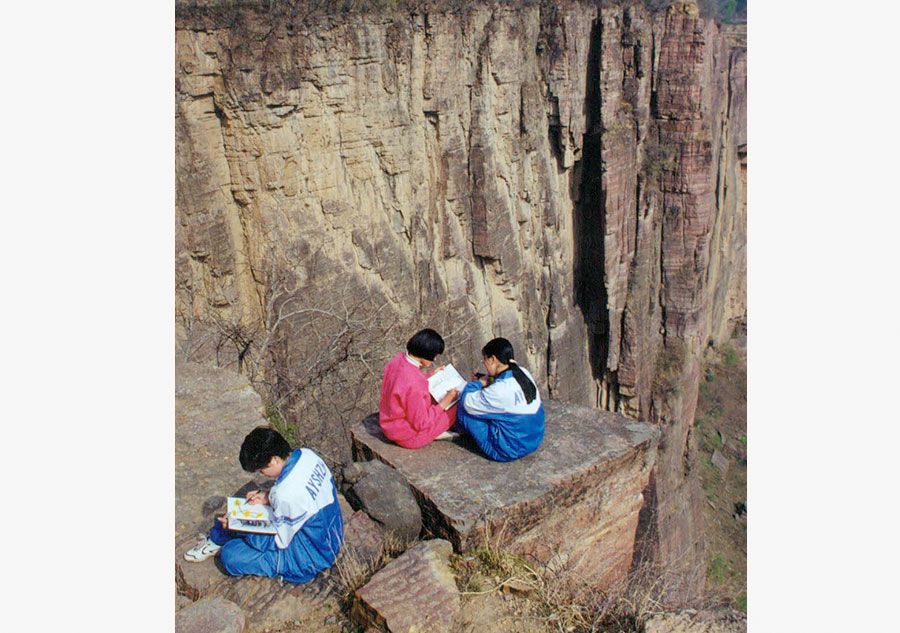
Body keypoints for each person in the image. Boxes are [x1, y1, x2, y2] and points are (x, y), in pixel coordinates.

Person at [183, 427, 344, 584]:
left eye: (261, 470)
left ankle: (222, 538)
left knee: (231, 556)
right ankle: (218, 538)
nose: (262, 474)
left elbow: (278, 543)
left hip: (310, 556)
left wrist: (241, 527)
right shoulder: (307, 455)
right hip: (330, 534)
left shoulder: (285, 494)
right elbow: (304, 498)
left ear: (274, 459)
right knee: (247, 511)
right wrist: (268, 497)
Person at [456, 337, 545, 462]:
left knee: (463, 411)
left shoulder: (499, 390)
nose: (484, 364)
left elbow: (466, 402)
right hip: (533, 440)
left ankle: (455, 431)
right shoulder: (523, 372)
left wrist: (478, 383)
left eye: (484, 360)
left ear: (492, 359)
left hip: (510, 450)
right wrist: (489, 380)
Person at [379, 328, 459, 448]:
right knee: (457, 407)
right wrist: (445, 402)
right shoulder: (415, 383)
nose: (435, 359)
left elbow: (403, 387)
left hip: (391, 425)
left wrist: (430, 375)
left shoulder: (398, 360)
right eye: (434, 356)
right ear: (426, 354)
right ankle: (436, 432)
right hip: (409, 436)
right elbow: (422, 423)